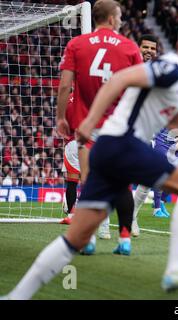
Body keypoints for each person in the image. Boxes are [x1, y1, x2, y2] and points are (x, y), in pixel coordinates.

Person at [4, 22, 178, 300]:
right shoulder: (172, 67)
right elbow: (118, 80)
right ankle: (176, 269)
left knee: (75, 238)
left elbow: (173, 118)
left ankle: (16, 296)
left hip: (108, 148)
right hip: (123, 142)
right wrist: (90, 120)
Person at [56, 0, 143, 254]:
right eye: (120, 17)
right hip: (118, 127)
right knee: (122, 182)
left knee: (89, 180)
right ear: (113, 19)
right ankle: (124, 240)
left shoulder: (76, 44)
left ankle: (90, 238)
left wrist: (62, 117)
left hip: (87, 127)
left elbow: (64, 87)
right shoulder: (129, 47)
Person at [131, 34, 178, 237]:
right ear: (138, 48)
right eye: (145, 47)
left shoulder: (161, 75)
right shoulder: (129, 69)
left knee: (150, 176)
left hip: (152, 133)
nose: (148, 51)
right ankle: (99, 224)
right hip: (125, 128)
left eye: (152, 48)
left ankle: (133, 217)